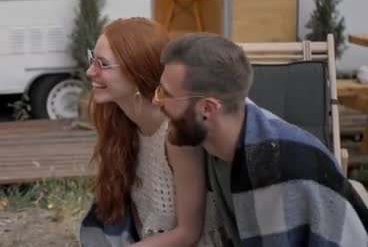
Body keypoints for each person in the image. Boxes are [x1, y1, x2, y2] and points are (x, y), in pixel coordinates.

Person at [156, 32, 368, 246]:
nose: (158, 102)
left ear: (208, 108)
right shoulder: (226, 135)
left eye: (166, 95)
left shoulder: (271, 168)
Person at [80, 18, 223, 246]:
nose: (90, 72)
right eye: (92, 60)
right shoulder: (122, 120)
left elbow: (188, 233)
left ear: (136, 72)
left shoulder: (176, 134)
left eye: (102, 64)